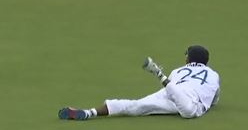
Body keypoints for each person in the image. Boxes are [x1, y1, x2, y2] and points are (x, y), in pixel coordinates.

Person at [58, 45, 220, 120]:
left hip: (172, 95)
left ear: (188, 59)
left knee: (134, 106)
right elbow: (214, 99)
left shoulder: (179, 70)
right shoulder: (213, 75)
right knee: (188, 112)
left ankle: (89, 112)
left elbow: (174, 91)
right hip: (184, 99)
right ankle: (158, 73)